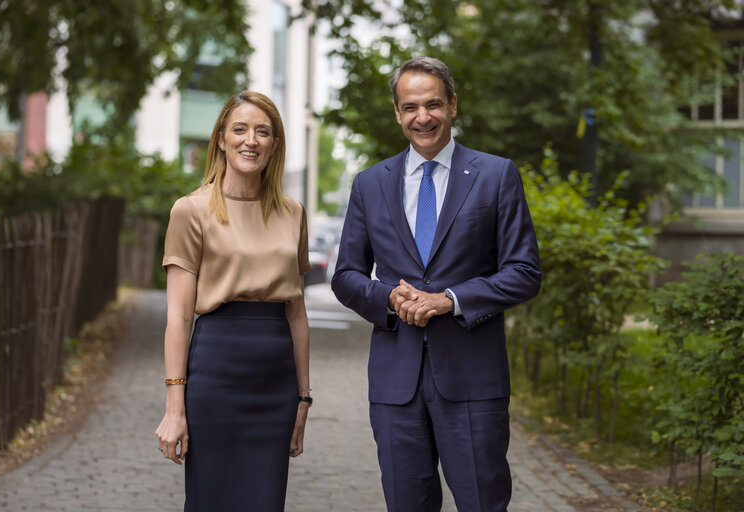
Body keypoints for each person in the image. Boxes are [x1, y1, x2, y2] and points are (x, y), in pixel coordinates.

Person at [331, 57, 541, 512]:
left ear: (453, 105)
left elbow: (524, 271)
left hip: (472, 378)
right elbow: (346, 276)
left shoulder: (495, 175)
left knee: (483, 502)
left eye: (432, 104)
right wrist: (386, 296)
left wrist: (451, 300)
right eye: (410, 107)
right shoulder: (369, 184)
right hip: (395, 383)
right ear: (397, 112)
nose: (421, 117)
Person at [155, 91, 312, 511]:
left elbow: (297, 312)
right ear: (220, 139)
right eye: (239, 129)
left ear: (275, 144)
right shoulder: (191, 211)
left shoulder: (293, 213)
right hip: (215, 374)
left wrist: (303, 397)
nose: (251, 140)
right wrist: (175, 407)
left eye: (263, 131)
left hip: (275, 383)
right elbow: (178, 315)